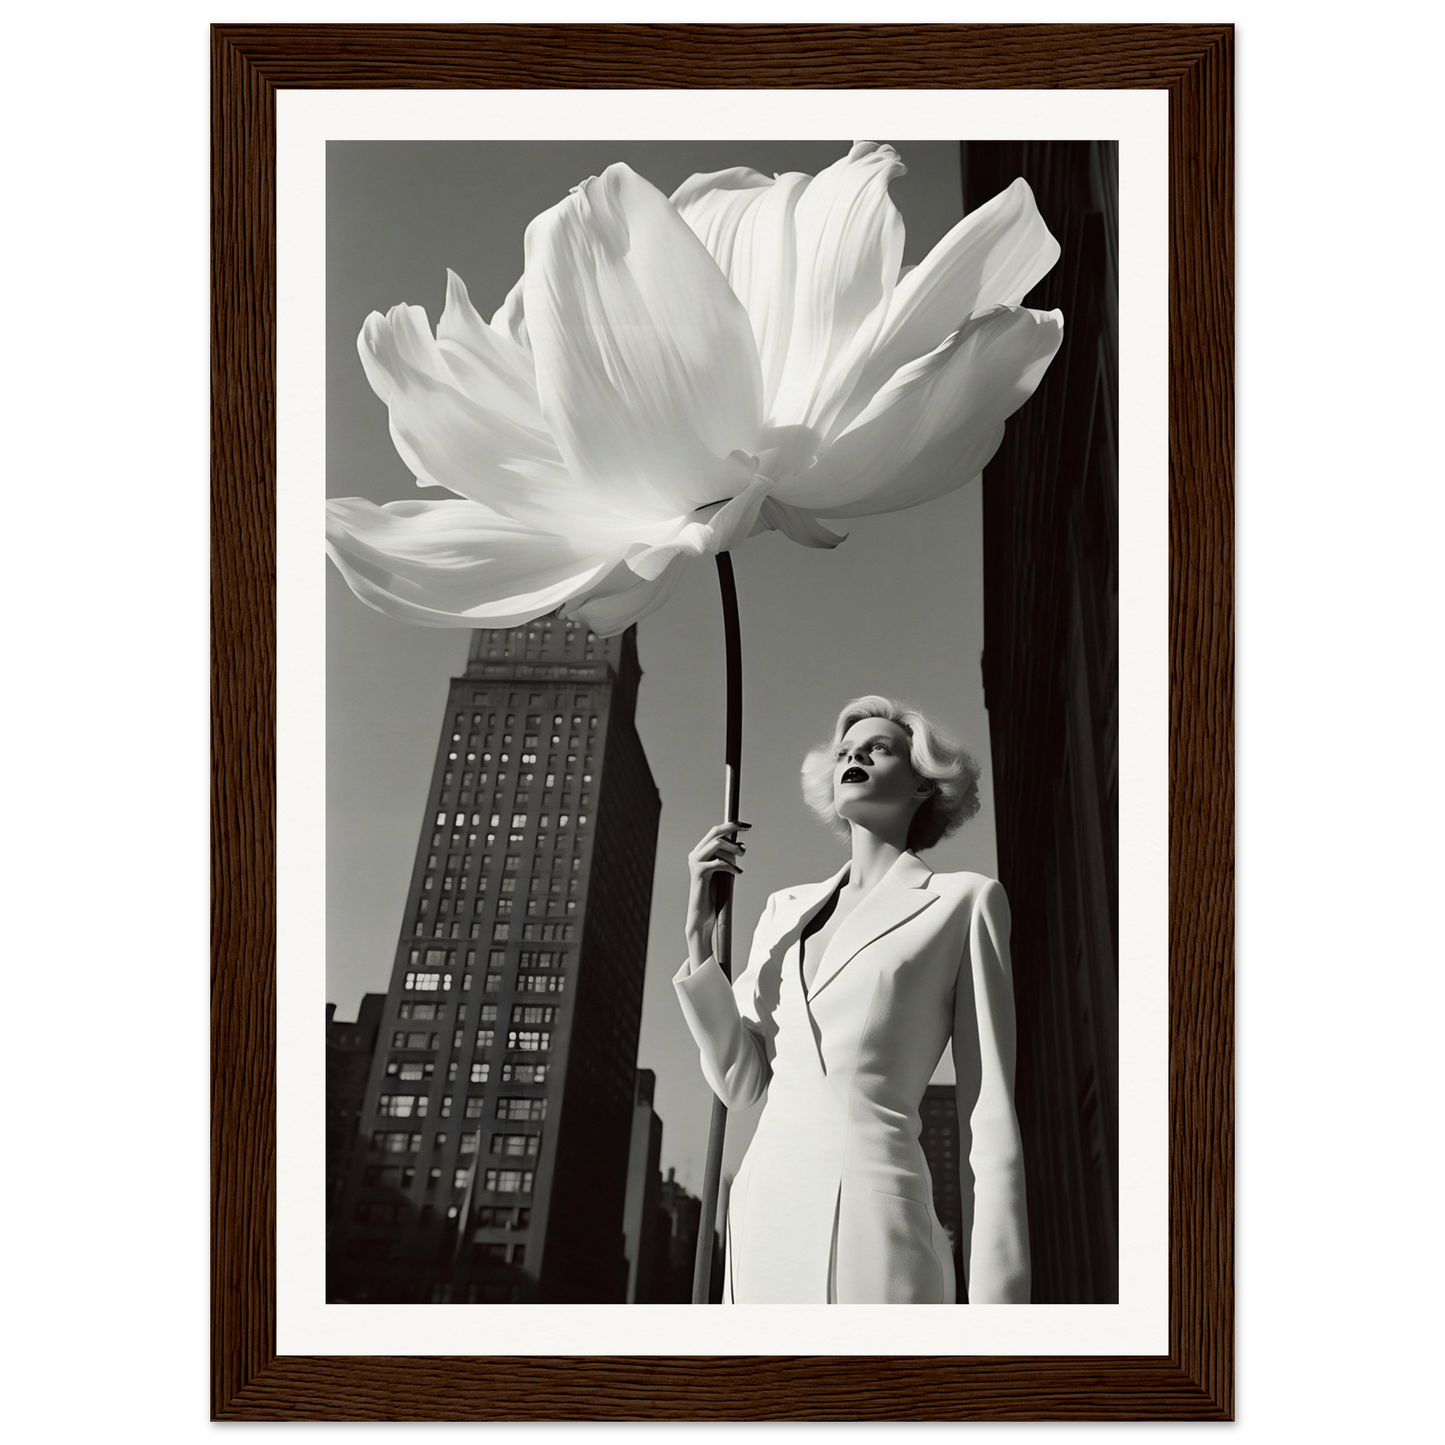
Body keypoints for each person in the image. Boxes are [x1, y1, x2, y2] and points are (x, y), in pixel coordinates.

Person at [675, 696, 1029, 1304]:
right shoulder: (783, 911)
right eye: (844, 751)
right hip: (762, 1219)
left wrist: (1000, 1319)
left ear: (923, 783)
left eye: (878, 748)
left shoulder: (965, 902)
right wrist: (698, 940)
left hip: (877, 1227)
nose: (855, 757)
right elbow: (741, 1084)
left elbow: (988, 1119)